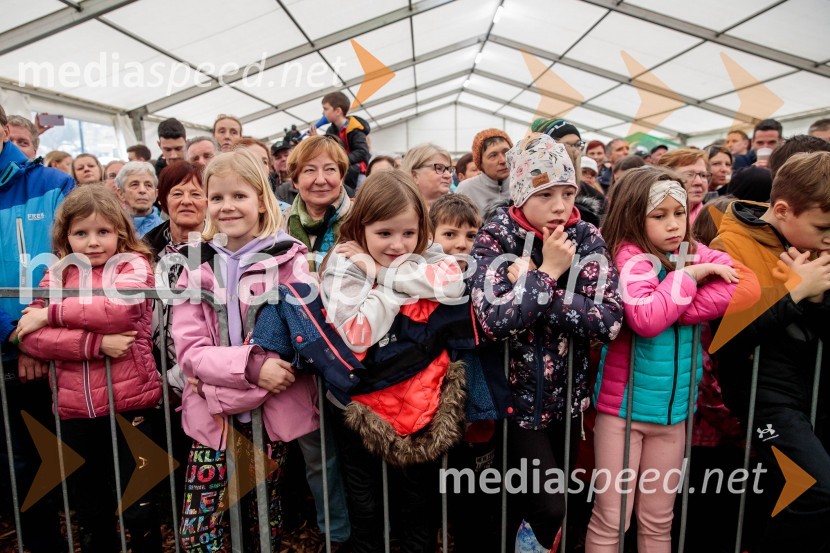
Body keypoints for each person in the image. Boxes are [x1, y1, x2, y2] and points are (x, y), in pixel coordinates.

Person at [586, 167, 757, 553]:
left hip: (675, 415)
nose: (674, 225)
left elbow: (747, 285)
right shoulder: (630, 258)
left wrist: (674, 306)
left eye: (679, 213)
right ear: (633, 214)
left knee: (659, 519)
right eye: (659, 215)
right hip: (624, 415)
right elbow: (646, 320)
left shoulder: (688, 249)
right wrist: (691, 277)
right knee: (613, 518)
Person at [470, 134, 623, 552]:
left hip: (569, 403)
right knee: (544, 505)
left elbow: (608, 320)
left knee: (552, 508)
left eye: (568, 192)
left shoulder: (586, 236)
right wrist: (550, 271)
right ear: (521, 194)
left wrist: (538, 285)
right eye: (546, 194)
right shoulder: (495, 237)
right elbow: (494, 321)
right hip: (513, 404)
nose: (560, 205)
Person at [170, 148, 319, 552]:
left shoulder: (291, 260)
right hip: (212, 425)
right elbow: (189, 351)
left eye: (239, 195)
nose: (227, 206)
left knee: (261, 525)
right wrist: (252, 372)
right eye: (217, 197)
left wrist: (214, 384)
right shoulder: (192, 263)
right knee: (199, 531)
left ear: (260, 199)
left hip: (268, 422)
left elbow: (290, 351)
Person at [320, 169, 469, 552]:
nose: (399, 244)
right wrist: (399, 287)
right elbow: (357, 334)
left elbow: (452, 283)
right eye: (384, 233)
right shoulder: (343, 259)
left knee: (417, 498)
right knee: (366, 501)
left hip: (421, 399)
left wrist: (379, 273)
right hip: (360, 402)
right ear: (362, 226)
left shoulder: (424, 252)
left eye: (409, 233)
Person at [17, 184, 162, 552]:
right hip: (74, 409)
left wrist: (49, 315)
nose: (93, 242)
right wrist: (96, 344)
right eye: (81, 233)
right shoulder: (57, 275)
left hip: (131, 405)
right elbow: (30, 338)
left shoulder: (134, 265)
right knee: (90, 505)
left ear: (120, 233)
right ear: (66, 236)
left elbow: (119, 311)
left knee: (140, 505)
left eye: (103, 232)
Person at [710, 151, 830, 552]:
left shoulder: (813, 243)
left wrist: (813, 298)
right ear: (782, 210)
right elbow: (728, 344)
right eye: (823, 227)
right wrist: (796, 294)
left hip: (812, 390)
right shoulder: (729, 244)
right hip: (767, 396)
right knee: (816, 491)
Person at [0, 103, 75, 553]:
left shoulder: (53, 185)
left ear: (5, 128)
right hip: (9, 348)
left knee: (81, 455)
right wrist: (15, 334)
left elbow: (75, 262)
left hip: (59, 349)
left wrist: (34, 336)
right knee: (21, 465)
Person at [285, 135, 353, 269]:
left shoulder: (360, 219)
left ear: (341, 177)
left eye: (330, 169)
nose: (321, 180)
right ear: (295, 181)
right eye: (310, 170)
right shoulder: (280, 224)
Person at [311, 91, 371, 193]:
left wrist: (340, 160)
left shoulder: (355, 128)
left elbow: (362, 151)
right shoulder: (331, 130)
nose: (323, 113)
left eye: (325, 109)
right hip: (342, 172)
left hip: (357, 173)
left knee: (359, 195)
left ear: (338, 111)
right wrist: (317, 140)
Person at [455, 128, 513, 215]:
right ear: (480, 163)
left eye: (506, 152)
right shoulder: (466, 190)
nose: (503, 160)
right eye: (493, 155)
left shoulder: (524, 184)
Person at [656, 148, 709, 224]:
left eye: (703, 175)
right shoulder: (650, 217)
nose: (699, 182)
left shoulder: (717, 217)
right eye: (689, 174)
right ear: (666, 178)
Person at [115, 161, 162, 237]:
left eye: (148, 185)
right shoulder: (113, 230)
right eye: (134, 184)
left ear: (156, 194)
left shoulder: (168, 231)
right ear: (120, 193)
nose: (142, 190)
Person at [429, 193, 481, 259]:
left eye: (471, 236)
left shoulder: (485, 267)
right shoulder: (419, 268)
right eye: (449, 234)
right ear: (429, 237)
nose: (462, 244)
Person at [401, 143, 453, 208]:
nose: (448, 175)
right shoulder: (396, 211)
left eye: (449, 170)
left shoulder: (459, 211)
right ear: (415, 176)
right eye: (439, 168)